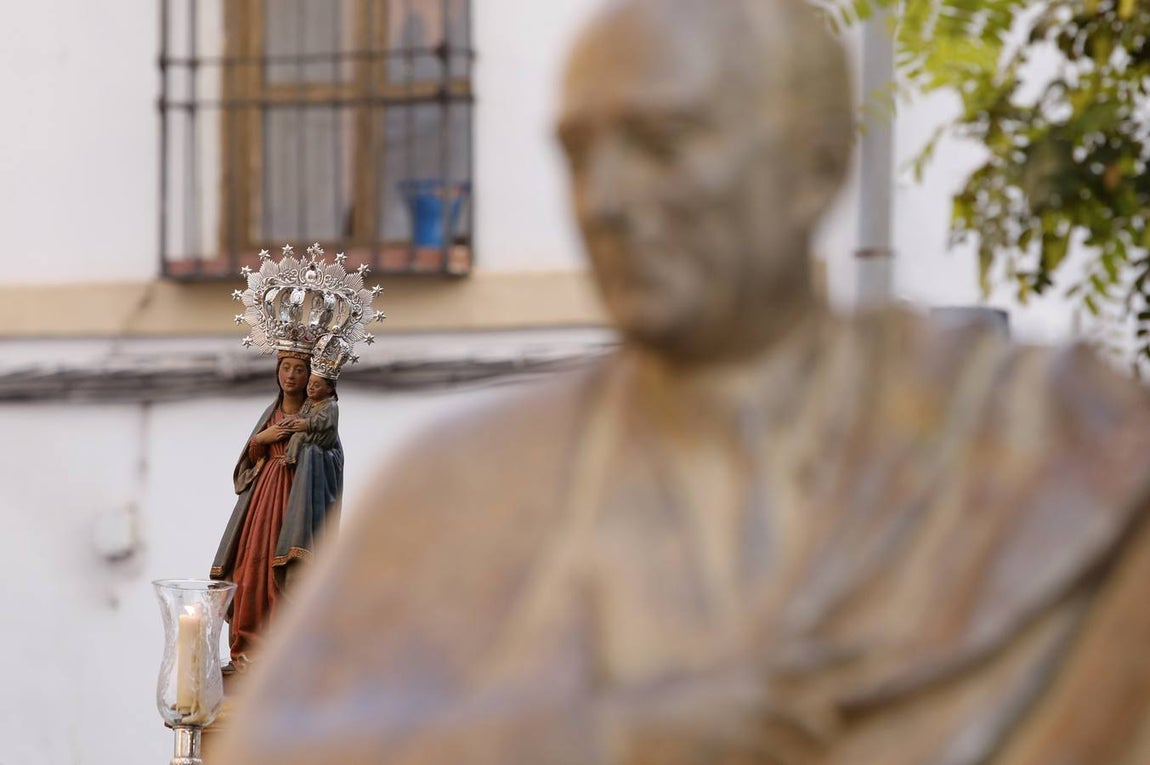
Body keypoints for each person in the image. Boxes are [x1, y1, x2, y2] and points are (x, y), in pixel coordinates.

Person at [217, 1, 1150, 763]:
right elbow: (268, 746)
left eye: (663, 142)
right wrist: (612, 735)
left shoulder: (1048, 442)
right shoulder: (465, 482)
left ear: (816, 166)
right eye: (581, 154)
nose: (606, 201)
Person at [209, 352, 343, 670]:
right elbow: (251, 460)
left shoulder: (321, 416)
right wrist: (262, 439)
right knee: (250, 564)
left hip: (297, 499)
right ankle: (248, 646)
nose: (291, 376)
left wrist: (307, 451)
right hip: (263, 498)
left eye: (299, 370)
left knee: (285, 566)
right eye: (285, 368)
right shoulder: (271, 413)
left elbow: (333, 460)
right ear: (277, 372)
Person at [283, 374, 340, 466]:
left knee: (298, 437)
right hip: (313, 431)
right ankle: (289, 456)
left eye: (316, 386)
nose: (311, 387)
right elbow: (303, 414)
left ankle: (291, 460)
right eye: (309, 383)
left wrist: (307, 424)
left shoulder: (330, 406)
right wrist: (294, 420)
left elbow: (324, 421)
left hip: (323, 437)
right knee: (294, 436)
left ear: (329, 389)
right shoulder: (310, 401)